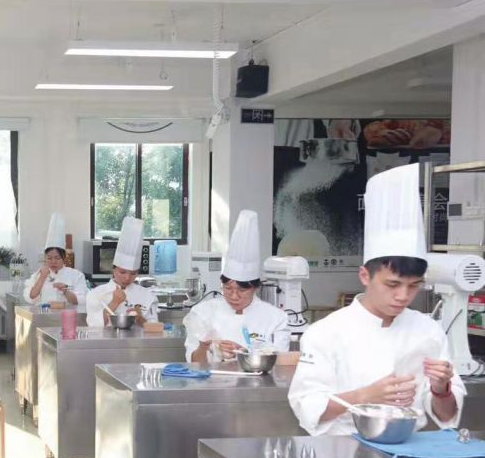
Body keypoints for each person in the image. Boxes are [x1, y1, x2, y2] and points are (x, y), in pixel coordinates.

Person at [289, 164, 464, 436]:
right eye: (392, 284)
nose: (403, 296)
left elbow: (447, 416)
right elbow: (307, 408)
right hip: (343, 449)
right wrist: (364, 396)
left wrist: (442, 389)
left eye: (414, 286)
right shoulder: (327, 332)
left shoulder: (428, 330)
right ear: (365, 276)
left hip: (410, 447)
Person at [183, 210, 289, 363]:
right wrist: (204, 347)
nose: (234, 296)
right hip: (211, 379)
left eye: (242, 290)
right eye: (227, 288)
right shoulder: (202, 312)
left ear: (256, 288)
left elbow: (281, 363)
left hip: (258, 379)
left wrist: (243, 353)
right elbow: (193, 363)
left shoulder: (276, 318)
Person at [85, 216, 159, 327]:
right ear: (113, 269)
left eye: (133, 273)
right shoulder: (96, 294)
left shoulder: (148, 295)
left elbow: (154, 328)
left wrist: (140, 319)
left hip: (138, 339)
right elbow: (93, 325)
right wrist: (115, 302)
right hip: (105, 339)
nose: (127, 278)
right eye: (123, 272)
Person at [24, 213, 88, 306]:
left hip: (68, 314)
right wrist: (42, 277)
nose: (53, 261)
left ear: (64, 258)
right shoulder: (38, 275)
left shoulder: (76, 275)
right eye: (49, 258)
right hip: (44, 314)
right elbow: (31, 297)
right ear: (45, 258)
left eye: (57, 258)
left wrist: (65, 291)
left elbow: (80, 301)